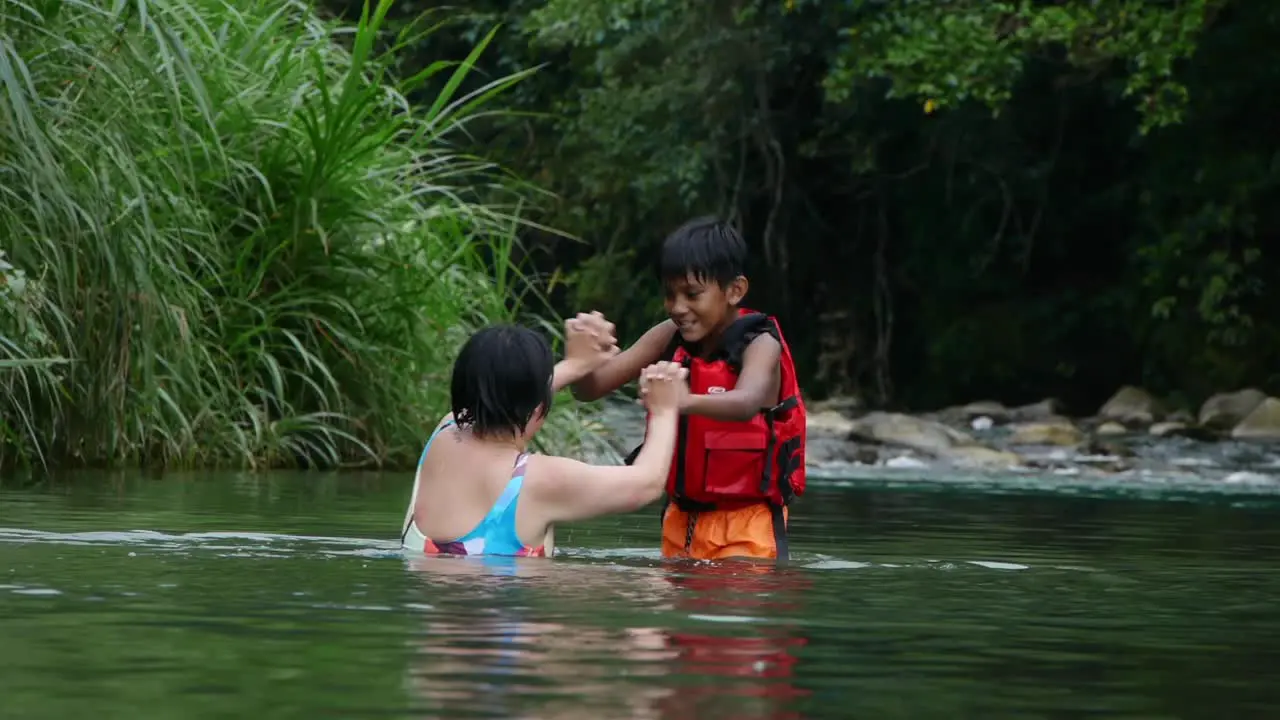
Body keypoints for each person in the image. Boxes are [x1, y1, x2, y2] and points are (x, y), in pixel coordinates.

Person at [568, 216, 808, 562]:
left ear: (734, 291)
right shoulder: (667, 336)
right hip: (680, 520)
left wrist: (683, 401)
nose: (678, 307)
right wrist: (581, 360)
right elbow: (588, 390)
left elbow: (746, 402)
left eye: (692, 294)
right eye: (670, 294)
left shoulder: (760, 343)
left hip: (747, 524)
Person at [400, 317, 690, 558]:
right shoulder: (535, 480)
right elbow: (648, 484)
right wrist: (664, 410)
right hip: (505, 623)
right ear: (539, 406)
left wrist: (576, 365)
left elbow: (501, 399)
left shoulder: (444, 431)